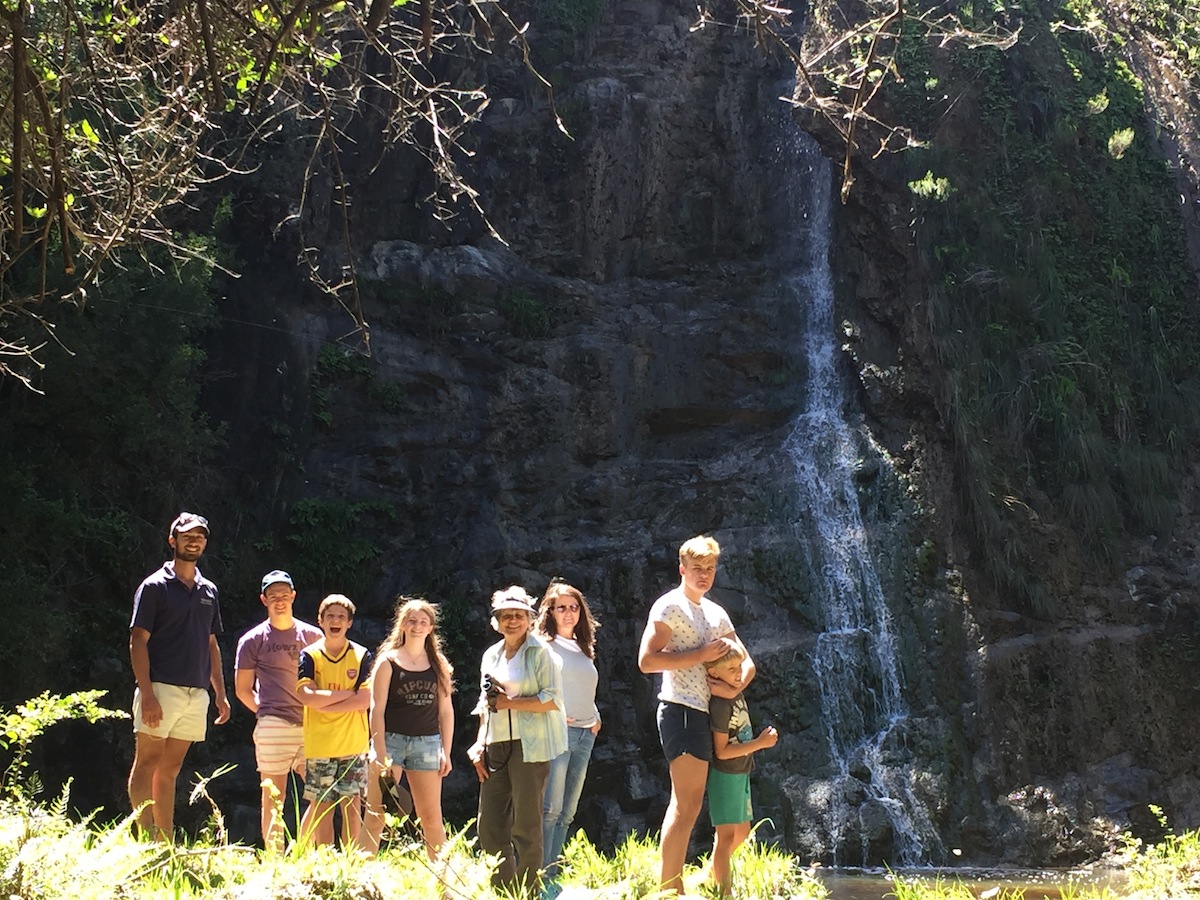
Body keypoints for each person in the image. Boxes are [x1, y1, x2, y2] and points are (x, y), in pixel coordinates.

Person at [637, 535, 755, 895]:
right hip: (681, 710)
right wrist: (701, 655)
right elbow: (647, 661)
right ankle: (670, 889)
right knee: (686, 804)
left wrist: (734, 688)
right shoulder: (668, 607)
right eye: (697, 569)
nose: (704, 575)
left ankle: (692, 880)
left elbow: (747, 661)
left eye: (710, 568)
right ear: (682, 569)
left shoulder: (717, 612)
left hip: (714, 717)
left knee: (701, 807)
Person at [128, 512, 231, 841]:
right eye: (187, 535)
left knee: (170, 770)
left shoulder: (209, 591)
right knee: (147, 763)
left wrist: (220, 693)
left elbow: (211, 644)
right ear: (173, 541)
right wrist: (148, 694)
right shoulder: (154, 587)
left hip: (196, 693)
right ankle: (145, 839)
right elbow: (137, 641)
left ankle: (165, 841)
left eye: (200, 535)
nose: (194, 540)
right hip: (160, 687)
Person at [468, 586, 567, 896]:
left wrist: (511, 703)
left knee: (525, 825)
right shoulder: (491, 654)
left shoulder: (541, 652)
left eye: (519, 615)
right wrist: (479, 742)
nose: (513, 621)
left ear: (529, 618)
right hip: (497, 743)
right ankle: (504, 891)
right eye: (506, 616)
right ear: (496, 621)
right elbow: (487, 701)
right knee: (490, 824)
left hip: (532, 744)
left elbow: (551, 700)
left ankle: (528, 891)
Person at [233, 569, 322, 850]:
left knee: (323, 793)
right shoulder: (252, 640)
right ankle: (275, 861)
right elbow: (242, 689)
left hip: (312, 725)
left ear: (293, 596)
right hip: (273, 725)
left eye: (284, 595)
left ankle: (303, 852)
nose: (280, 601)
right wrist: (265, 712)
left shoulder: (313, 636)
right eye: (273, 596)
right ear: (264, 599)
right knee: (273, 798)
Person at [365, 596, 455, 858]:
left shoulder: (438, 664)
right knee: (376, 814)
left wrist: (445, 751)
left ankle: (445, 886)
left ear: (430, 628)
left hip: (426, 743)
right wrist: (379, 753)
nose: (417, 626)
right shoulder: (388, 662)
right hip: (390, 742)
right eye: (412, 621)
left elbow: (446, 712)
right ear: (402, 625)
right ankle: (359, 882)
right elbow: (376, 710)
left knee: (431, 817)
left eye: (423, 622)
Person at [536, 580, 601, 884]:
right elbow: (537, 689)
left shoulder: (584, 646)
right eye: (561, 607)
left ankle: (553, 873)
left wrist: (596, 718)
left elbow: (584, 686)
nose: (568, 613)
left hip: (586, 735)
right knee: (550, 808)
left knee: (568, 811)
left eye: (574, 607)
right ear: (550, 611)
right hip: (558, 734)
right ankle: (541, 876)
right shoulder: (542, 646)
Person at [295, 594, 373, 847]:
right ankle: (326, 862)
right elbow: (306, 696)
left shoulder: (362, 656)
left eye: (341, 616)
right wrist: (346, 695)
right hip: (319, 745)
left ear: (350, 623)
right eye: (330, 616)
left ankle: (352, 862)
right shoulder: (309, 655)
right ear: (320, 621)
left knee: (352, 808)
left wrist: (324, 701)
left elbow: (364, 700)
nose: (336, 621)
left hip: (354, 745)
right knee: (322, 808)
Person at [705, 645, 778, 897]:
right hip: (725, 774)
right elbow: (722, 751)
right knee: (725, 837)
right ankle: (723, 891)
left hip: (741, 772)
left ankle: (709, 875)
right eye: (732, 669)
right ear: (713, 672)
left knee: (743, 832)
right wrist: (759, 743)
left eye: (739, 667)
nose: (739, 674)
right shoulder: (721, 705)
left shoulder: (734, 693)